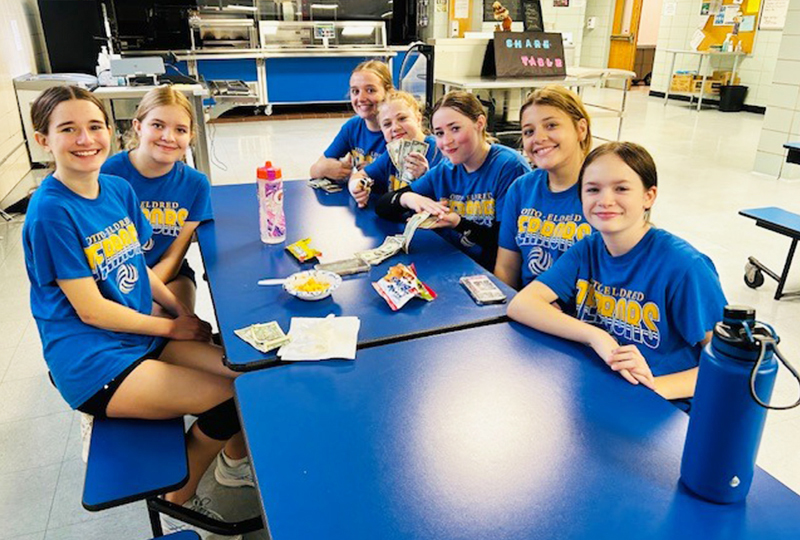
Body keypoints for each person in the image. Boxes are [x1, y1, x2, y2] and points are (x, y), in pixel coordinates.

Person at [22, 86, 250, 537]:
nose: (85, 139)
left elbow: (139, 268)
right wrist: (171, 327)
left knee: (247, 374)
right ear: (44, 140)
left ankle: (229, 467)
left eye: (94, 126)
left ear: (111, 131)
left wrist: (180, 316)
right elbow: (91, 312)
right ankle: (179, 497)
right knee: (231, 400)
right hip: (95, 358)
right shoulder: (50, 212)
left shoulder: (116, 187)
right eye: (68, 129)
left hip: (137, 335)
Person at [507, 142, 727, 406]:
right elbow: (522, 304)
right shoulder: (587, 249)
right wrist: (596, 336)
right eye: (593, 189)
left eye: (621, 188)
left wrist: (653, 388)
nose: (605, 200)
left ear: (649, 196)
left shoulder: (684, 267)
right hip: (602, 390)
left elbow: (727, 367)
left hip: (661, 405)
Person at [375, 90, 531, 270]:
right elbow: (383, 206)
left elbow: (508, 244)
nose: (447, 141)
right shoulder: (445, 169)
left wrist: (458, 222)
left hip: (488, 273)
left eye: (455, 129)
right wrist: (408, 198)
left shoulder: (508, 167)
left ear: (479, 123)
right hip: (450, 264)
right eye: (439, 133)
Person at [101, 85, 212, 314]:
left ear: (190, 136)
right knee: (150, 326)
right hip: (114, 278)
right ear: (138, 126)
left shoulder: (196, 184)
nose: (168, 137)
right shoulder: (109, 174)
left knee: (175, 321)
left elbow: (174, 257)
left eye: (180, 130)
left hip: (170, 277)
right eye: (157, 125)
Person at [495, 86, 594, 290]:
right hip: (527, 311)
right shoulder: (521, 189)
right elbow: (506, 269)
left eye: (551, 125)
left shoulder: (604, 191)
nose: (538, 138)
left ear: (580, 129)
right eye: (529, 131)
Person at [348, 90, 443, 207]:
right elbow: (359, 175)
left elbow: (446, 197)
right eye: (387, 124)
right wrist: (357, 188)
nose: (395, 128)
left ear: (418, 119)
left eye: (402, 118)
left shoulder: (438, 151)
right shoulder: (390, 155)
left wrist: (425, 177)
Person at [309, 60, 393, 180]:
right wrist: (328, 169)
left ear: (388, 92)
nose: (361, 98)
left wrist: (374, 172)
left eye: (370, 90)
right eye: (355, 91)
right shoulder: (353, 127)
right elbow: (315, 169)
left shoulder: (398, 130)